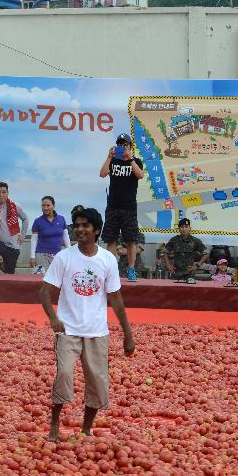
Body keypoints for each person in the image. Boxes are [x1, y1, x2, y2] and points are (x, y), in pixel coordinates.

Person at [39, 207, 135, 443]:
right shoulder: (64, 257)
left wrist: (127, 334)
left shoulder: (107, 259)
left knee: (97, 380)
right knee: (63, 374)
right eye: (77, 226)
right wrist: (53, 317)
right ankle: (54, 423)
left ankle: (86, 428)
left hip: (96, 331)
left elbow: (116, 300)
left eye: (85, 226)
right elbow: (44, 292)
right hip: (68, 330)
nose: (80, 230)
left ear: (97, 230)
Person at [100, 133, 145, 282]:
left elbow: (140, 175)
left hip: (129, 208)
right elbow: (102, 174)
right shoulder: (112, 161)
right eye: (120, 144)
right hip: (113, 206)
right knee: (111, 240)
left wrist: (130, 159)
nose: (123, 147)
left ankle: (131, 269)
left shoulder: (136, 161)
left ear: (130, 146)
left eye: (125, 144)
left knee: (131, 240)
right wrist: (109, 157)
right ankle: (110, 271)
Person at [0, 182, 29, 275]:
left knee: (9, 275)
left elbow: (25, 219)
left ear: (8, 193)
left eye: (4, 192)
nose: (1, 195)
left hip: (13, 247)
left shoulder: (16, 205)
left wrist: (23, 235)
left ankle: (2, 274)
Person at [30, 195, 69, 274]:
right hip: (41, 255)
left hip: (57, 256)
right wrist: (32, 257)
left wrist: (70, 253)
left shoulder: (61, 219)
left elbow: (66, 237)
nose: (45, 208)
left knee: (55, 281)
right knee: (41, 280)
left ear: (53, 206)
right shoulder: (38, 221)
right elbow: (34, 240)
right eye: (43, 205)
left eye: (48, 205)